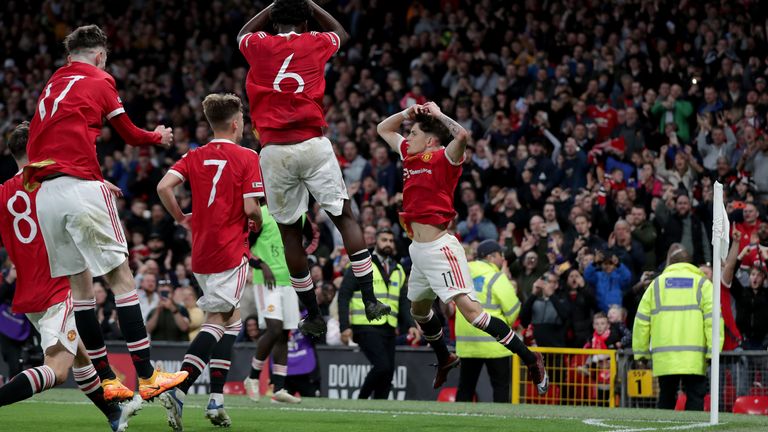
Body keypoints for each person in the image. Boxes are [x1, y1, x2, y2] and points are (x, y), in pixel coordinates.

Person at [23, 25, 185, 401]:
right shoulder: (100, 78)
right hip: (80, 188)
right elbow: (127, 133)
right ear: (99, 56)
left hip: (46, 194)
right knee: (122, 281)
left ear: (69, 57)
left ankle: (107, 379)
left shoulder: (51, 83)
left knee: (81, 292)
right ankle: (147, 376)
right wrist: (157, 137)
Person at [237, 0, 389, 336]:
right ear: (306, 24)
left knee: (290, 232)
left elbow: (242, 34)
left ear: (273, 24)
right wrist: (311, 5)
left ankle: (314, 315)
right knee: (344, 218)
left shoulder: (258, 45)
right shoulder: (316, 41)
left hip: (274, 151)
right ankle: (369, 299)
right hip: (312, 143)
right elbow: (342, 33)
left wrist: (273, 6)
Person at [376, 101, 548, 394]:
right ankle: (445, 357)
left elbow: (463, 137)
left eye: (414, 133)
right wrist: (408, 113)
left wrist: (438, 114)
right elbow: (383, 128)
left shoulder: (443, 157)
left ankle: (531, 358)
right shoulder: (409, 154)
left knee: (473, 313)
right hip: (417, 249)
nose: (409, 137)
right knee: (419, 310)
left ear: (430, 140)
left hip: (440, 248)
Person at [0, 122, 141, 431]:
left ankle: (114, 416)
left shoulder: (2, 195)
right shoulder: (51, 185)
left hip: (29, 291)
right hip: (59, 286)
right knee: (58, 369)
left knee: (80, 357)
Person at [156, 93, 261, 430]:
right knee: (218, 319)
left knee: (232, 321)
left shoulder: (194, 155)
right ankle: (179, 389)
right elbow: (250, 209)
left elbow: (163, 187)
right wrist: (257, 221)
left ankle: (216, 401)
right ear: (235, 123)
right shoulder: (247, 157)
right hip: (231, 251)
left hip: (201, 254)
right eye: (242, 118)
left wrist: (181, 218)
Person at [632, 243, 722, 411]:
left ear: (670, 262)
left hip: (665, 357)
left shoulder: (656, 285)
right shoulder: (703, 285)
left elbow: (642, 322)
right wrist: (713, 350)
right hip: (694, 357)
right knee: (695, 398)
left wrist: (641, 354)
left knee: (666, 398)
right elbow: (714, 321)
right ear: (691, 263)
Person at [337, 228, 419, 400]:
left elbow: (403, 301)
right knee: (382, 367)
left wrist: (411, 325)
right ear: (375, 241)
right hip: (365, 325)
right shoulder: (361, 264)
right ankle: (361, 400)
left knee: (388, 374)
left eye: (390, 240)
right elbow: (344, 295)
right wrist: (344, 326)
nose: (388, 244)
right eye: (384, 240)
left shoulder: (398, 269)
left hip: (389, 327)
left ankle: (379, 409)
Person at [242, 204, 307, 404]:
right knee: (274, 329)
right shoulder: (260, 214)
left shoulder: (299, 213)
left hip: (289, 282)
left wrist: (304, 256)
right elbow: (244, 246)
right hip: (266, 282)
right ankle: (252, 377)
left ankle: (278, 388)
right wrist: (261, 265)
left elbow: (313, 238)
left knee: (284, 334)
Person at [455, 240, 521, 403]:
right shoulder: (496, 277)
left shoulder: (463, 273)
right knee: (500, 389)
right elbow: (513, 310)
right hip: (495, 342)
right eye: (501, 255)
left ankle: (456, 424)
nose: (503, 259)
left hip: (467, 344)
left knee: (465, 389)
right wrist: (506, 324)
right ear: (491, 257)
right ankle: (501, 425)